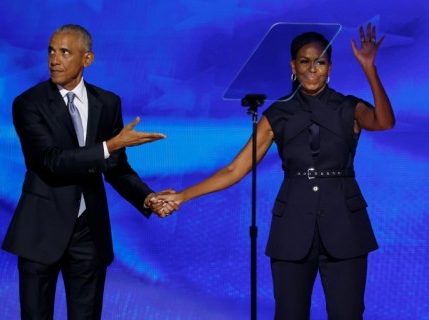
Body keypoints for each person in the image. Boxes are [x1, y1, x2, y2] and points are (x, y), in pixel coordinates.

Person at [157, 23, 395, 319]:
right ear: (293, 66)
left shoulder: (348, 107)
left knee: (347, 313)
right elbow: (234, 169)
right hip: (293, 228)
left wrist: (369, 68)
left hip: (344, 226)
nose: (312, 69)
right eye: (305, 62)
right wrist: (183, 196)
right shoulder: (278, 114)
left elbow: (384, 122)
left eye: (320, 62)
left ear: (329, 67)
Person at [2, 24, 177, 319]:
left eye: (65, 52)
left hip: (88, 233)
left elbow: (115, 167)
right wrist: (110, 144)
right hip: (40, 230)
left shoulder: (107, 103)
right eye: (51, 51)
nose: (54, 59)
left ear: (87, 59)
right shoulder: (28, 104)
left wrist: (147, 198)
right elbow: (50, 161)